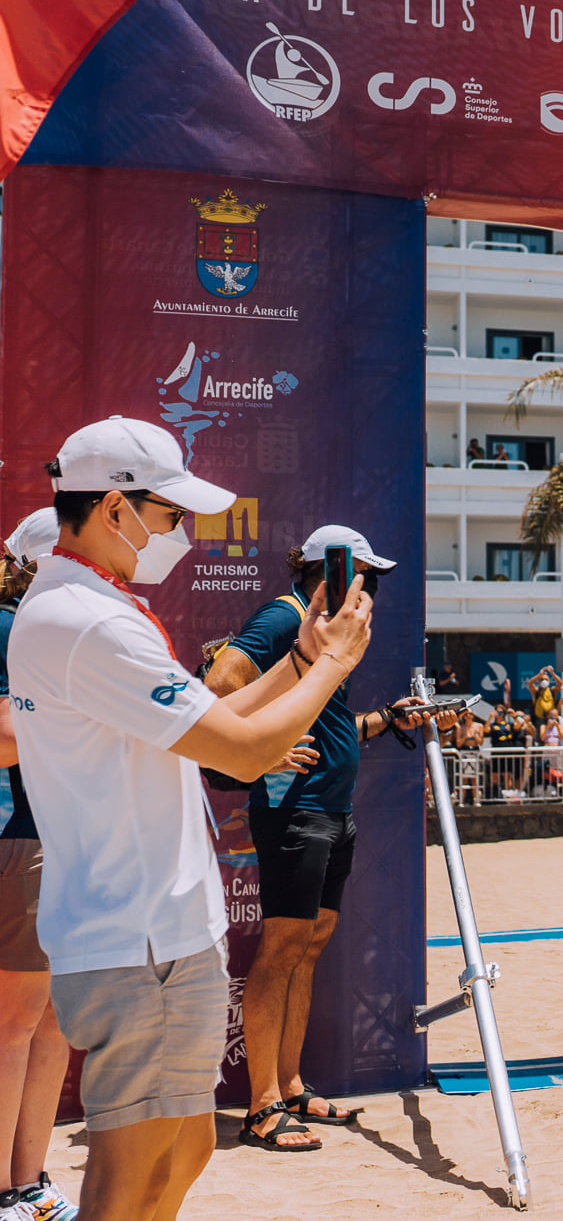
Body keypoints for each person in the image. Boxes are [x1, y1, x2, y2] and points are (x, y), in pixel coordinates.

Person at [11, 418, 373, 1216]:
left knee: (186, 1147)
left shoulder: (83, 605)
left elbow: (208, 719)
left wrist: (302, 659)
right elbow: (243, 751)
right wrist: (334, 661)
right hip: (139, 941)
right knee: (130, 1175)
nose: (183, 532)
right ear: (114, 508)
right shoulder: (91, 620)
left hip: (154, 933)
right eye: (171, 514)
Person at [203, 525, 425, 1150]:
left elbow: (328, 725)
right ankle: (261, 1106)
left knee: (308, 946)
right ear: (332, 573)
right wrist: (260, 754)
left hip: (331, 808)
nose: (370, 592)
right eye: (365, 577)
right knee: (282, 950)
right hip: (293, 810)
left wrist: (387, 719)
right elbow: (217, 690)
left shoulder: (327, 633)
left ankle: (292, 1085)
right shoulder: (285, 616)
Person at [0, 509, 77, 1221]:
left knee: (54, 1022)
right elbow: (3, 738)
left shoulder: (69, 637)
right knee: (17, 1024)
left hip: (74, 840)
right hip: (26, 838)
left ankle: (30, 1182)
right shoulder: (7, 628)